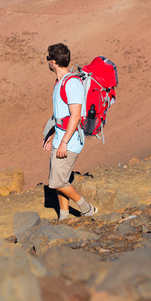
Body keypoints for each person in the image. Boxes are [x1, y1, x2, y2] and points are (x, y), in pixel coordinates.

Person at [44, 43, 97, 220]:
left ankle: (87, 209)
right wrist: (52, 135)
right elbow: (60, 115)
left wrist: (64, 142)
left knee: (57, 181)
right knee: (61, 180)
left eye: (47, 59)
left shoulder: (71, 83)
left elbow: (75, 116)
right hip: (60, 136)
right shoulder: (60, 83)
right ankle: (64, 216)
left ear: (53, 62)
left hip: (70, 140)